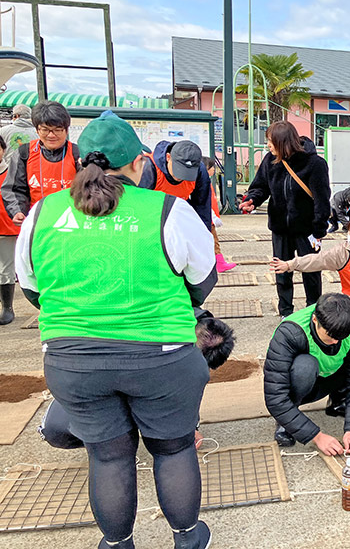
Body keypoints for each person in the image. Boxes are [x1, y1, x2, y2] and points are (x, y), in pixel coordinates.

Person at [14, 110, 217, 549]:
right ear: (139, 163)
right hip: (161, 355)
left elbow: (32, 289)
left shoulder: (42, 213)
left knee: (107, 456)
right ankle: (187, 537)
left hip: (73, 359)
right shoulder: (168, 210)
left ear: (78, 161)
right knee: (174, 449)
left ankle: (117, 542)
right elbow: (202, 281)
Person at [39, 309, 236, 451]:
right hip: (89, 376)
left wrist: (190, 427)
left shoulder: (182, 318)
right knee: (102, 446)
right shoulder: (155, 329)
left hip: (81, 364)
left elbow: (185, 390)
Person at [263, 293, 350, 452]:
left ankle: (339, 402)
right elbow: (275, 396)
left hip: (329, 378)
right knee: (305, 366)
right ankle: (286, 422)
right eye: (330, 336)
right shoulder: (289, 333)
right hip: (303, 383)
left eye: (341, 337)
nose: (335, 342)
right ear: (315, 320)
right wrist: (316, 436)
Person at [240, 121, 331, 317]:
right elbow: (260, 186)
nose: (268, 145)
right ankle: (285, 312)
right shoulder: (270, 160)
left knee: (311, 272)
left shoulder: (314, 163)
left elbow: (322, 200)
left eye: (271, 141)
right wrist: (252, 200)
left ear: (283, 142)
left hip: (307, 229)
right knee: (281, 272)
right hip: (280, 227)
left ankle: (313, 311)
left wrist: (319, 230)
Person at [1, 100, 80, 226]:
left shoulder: (78, 154)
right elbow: (13, 189)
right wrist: (17, 211)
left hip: (72, 222)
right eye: (45, 129)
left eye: (57, 130)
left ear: (66, 130)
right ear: (37, 130)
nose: (51, 135)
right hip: (36, 222)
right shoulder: (24, 153)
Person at [139, 139, 213, 232]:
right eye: (178, 170)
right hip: (151, 214)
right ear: (168, 157)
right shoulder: (148, 169)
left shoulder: (200, 171)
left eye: (187, 174)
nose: (181, 177)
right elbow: (139, 207)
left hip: (178, 212)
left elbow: (202, 207)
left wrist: (203, 234)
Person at [201, 156, 236, 273]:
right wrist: (213, 216)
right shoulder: (204, 183)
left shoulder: (206, 182)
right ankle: (219, 263)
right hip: (208, 218)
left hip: (209, 218)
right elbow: (205, 202)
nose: (214, 170)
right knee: (214, 241)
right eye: (212, 167)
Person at [0, 136, 18, 325]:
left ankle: (7, 307)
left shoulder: (10, 172)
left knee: (6, 269)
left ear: (3, 150)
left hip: (6, 227)